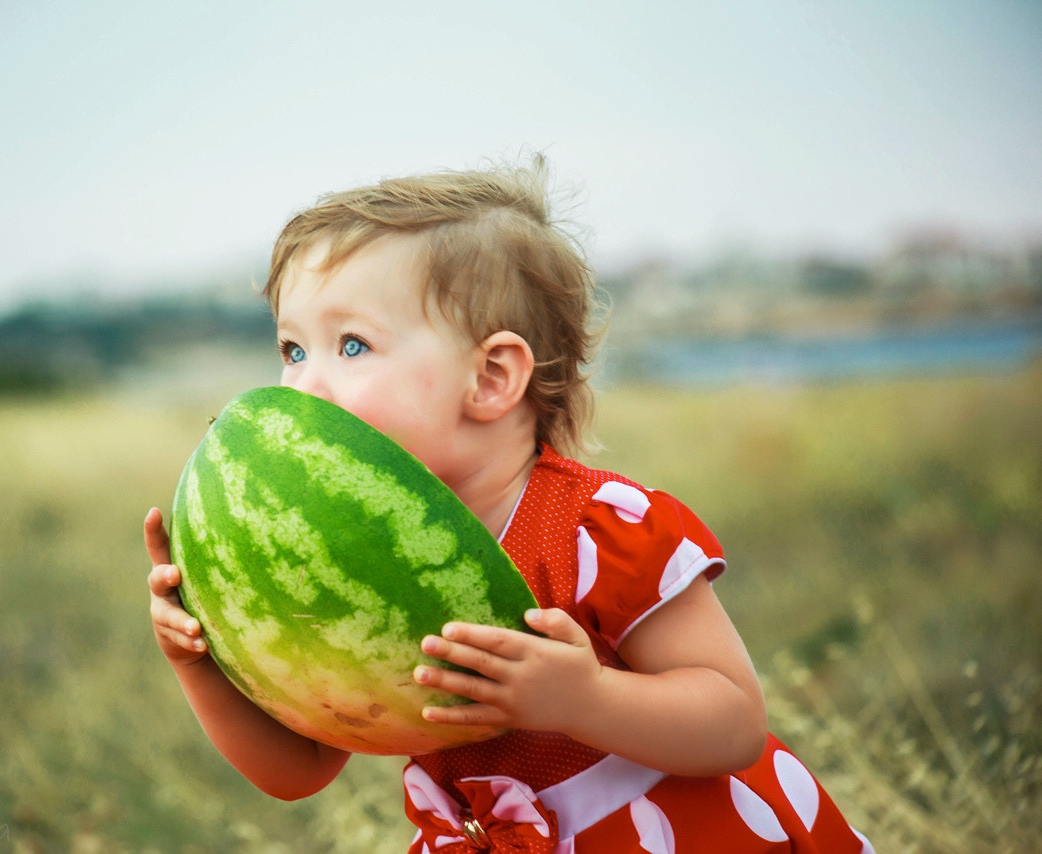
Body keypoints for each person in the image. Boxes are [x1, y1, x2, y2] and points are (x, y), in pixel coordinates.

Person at [145, 157, 872, 852]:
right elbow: (300, 770)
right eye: (294, 349)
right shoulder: (335, 555)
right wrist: (203, 663)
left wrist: (585, 699)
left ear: (493, 376)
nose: (301, 387)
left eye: (353, 346)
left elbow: (736, 722)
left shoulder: (601, 530)